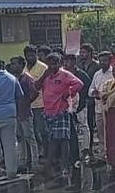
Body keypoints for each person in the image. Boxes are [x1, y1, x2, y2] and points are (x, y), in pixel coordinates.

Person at [35, 53, 83, 184]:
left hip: (61, 110)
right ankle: (51, 163)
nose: (52, 66)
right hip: (48, 111)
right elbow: (36, 86)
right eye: (50, 63)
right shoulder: (46, 76)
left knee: (63, 140)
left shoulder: (65, 74)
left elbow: (79, 84)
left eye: (55, 63)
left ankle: (64, 165)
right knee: (52, 139)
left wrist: (68, 92)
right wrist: (44, 75)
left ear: (59, 63)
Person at [8, 56, 39, 173]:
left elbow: (35, 92)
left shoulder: (27, 78)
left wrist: (27, 102)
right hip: (16, 112)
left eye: (15, 63)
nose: (13, 66)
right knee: (20, 137)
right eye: (12, 64)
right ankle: (22, 161)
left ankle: (35, 161)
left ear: (21, 65)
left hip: (25, 113)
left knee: (30, 137)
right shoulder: (13, 78)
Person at [62, 53, 92, 163]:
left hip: (81, 105)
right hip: (68, 106)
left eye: (68, 61)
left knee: (84, 127)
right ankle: (73, 152)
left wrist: (83, 102)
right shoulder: (63, 74)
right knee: (72, 129)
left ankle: (85, 150)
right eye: (65, 61)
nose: (66, 63)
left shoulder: (81, 75)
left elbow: (87, 88)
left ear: (74, 62)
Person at [88, 51, 113, 160]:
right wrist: (94, 93)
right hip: (98, 108)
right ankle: (103, 155)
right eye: (101, 61)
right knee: (100, 133)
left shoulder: (114, 73)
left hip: (111, 108)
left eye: (105, 60)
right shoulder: (97, 74)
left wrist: (104, 95)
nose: (102, 63)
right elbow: (90, 89)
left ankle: (112, 154)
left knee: (111, 132)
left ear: (110, 61)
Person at [23, 45, 47, 153]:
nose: (31, 58)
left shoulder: (43, 67)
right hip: (27, 104)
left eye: (33, 55)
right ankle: (37, 151)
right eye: (29, 56)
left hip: (40, 103)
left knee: (42, 129)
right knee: (31, 131)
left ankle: (46, 151)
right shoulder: (23, 68)